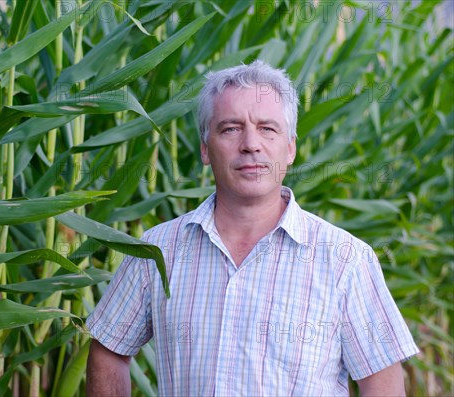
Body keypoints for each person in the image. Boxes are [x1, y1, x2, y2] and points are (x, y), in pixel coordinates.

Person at [85, 60, 419, 396]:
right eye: (230, 128)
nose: (250, 144)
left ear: (290, 148)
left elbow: (383, 382)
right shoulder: (157, 251)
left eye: (267, 129)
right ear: (204, 148)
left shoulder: (346, 259)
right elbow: (108, 349)